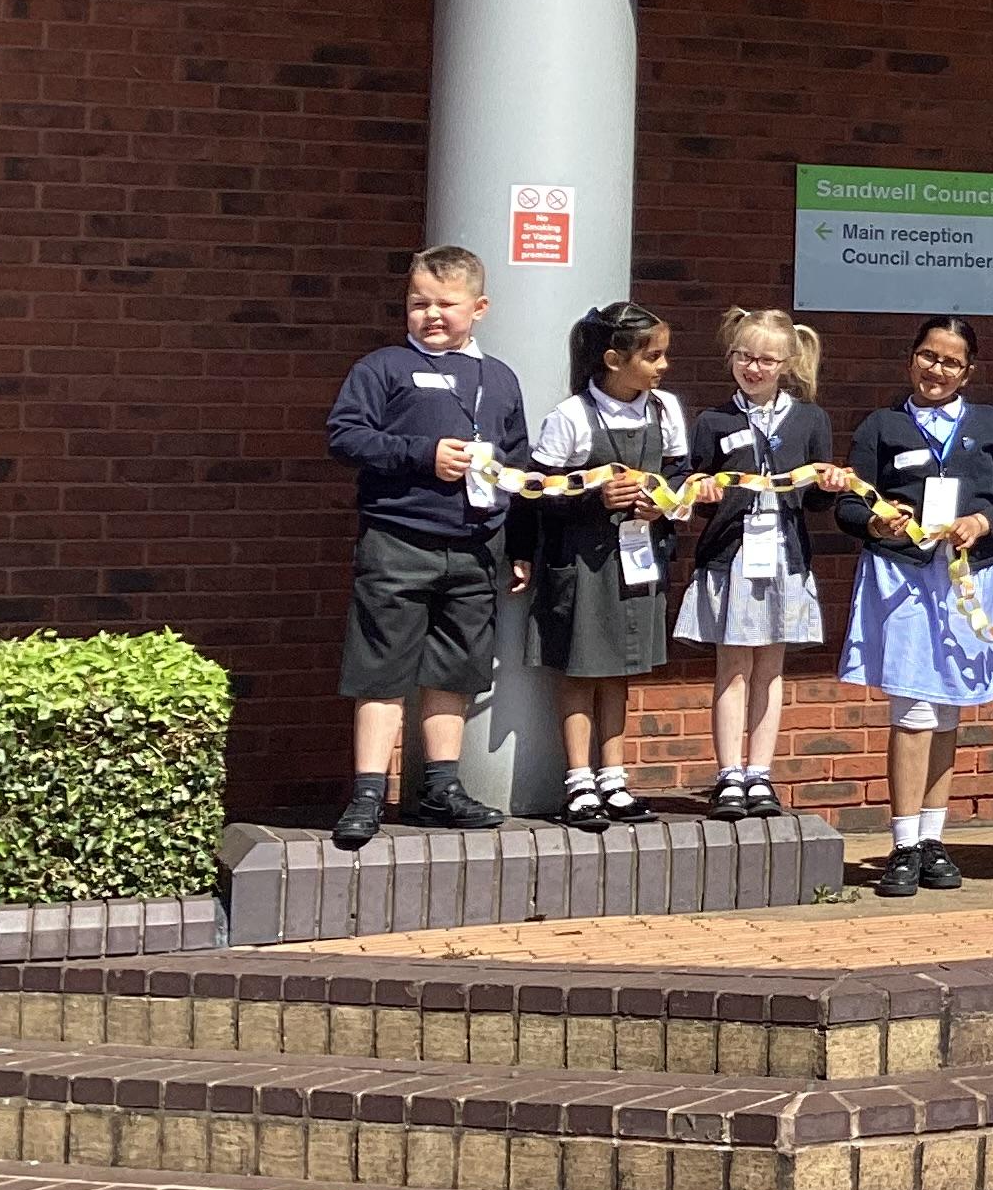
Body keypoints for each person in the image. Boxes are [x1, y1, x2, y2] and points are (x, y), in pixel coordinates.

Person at [322, 245, 534, 848]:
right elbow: (345, 435)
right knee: (381, 668)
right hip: (398, 540)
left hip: (475, 546)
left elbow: (518, 466)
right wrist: (422, 455)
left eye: (446, 304)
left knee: (456, 669)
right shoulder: (383, 367)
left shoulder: (499, 377)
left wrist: (519, 546)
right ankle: (368, 793)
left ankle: (441, 788)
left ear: (479, 308)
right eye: (419, 303)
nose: (431, 315)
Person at [837, 315, 993, 899]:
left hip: (967, 580)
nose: (936, 370)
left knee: (947, 709)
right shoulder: (882, 425)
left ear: (968, 372)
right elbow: (848, 505)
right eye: (928, 356)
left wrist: (982, 521)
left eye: (950, 362)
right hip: (901, 577)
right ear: (911, 358)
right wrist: (875, 520)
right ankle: (902, 844)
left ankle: (931, 839)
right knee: (913, 709)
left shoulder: (990, 425)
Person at [677, 308, 851, 822]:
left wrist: (827, 486)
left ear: (786, 364)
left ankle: (759, 773)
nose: (753, 368)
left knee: (770, 669)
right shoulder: (713, 421)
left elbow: (814, 503)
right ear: (731, 356)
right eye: (744, 357)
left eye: (766, 360)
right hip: (730, 556)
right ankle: (729, 774)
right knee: (732, 667)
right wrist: (699, 490)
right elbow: (692, 490)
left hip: (783, 556)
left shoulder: (810, 420)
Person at [525, 301, 691, 830]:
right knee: (581, 666)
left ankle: (614, 778)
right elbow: (537, 491)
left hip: (636, 558)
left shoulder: (666, 410)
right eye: (653, 356)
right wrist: (594, 498)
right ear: (614, 360)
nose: (663, 366)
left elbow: (680, 476)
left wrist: (662, 504)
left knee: (620, 665)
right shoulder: (571, 417)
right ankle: (579, 782)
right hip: (582, 560)